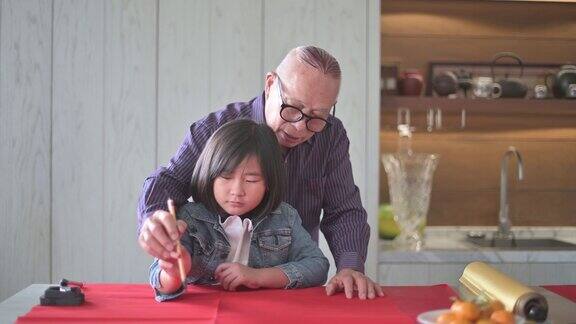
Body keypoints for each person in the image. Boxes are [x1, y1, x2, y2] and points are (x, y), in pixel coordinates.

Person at [138, 45, 384, 299]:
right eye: (292, 108)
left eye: (316, 117)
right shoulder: (217, 129)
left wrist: (350, 267)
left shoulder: (330, 135)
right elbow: (168, 181)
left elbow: (343, 209)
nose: (299, 127)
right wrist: (154, 222)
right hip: (209, 293)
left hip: (289, 292)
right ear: (270, 84)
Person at [149, 119, 328, 301]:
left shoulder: (285, 218)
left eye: (251, 180)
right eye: (226, 177)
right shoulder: (189, 218)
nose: (237, 191)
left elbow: (318, 266)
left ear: (269, 183)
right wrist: (173, 272)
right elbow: (161, 283)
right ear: (209, 176)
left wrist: (258, 277)